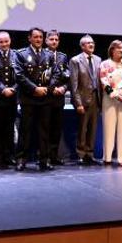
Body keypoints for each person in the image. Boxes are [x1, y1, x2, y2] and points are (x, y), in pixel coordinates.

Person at [14, 27, 56, 171]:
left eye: (40, 37)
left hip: (45, 98)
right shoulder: (21, 54)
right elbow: (19, 75)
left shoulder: (49, 55)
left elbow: (56, 74)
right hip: (28, 99)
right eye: (36, 37)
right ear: (29, 38)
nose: (38, 39)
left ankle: (44, 159)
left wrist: (47, 89)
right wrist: (34, 89)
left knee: (44, 131)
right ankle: (21, 159)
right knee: (25, 130)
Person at [99, 40, 122, 166]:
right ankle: (107, 157)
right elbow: (104, 82)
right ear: (112, 49)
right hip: (111, 100)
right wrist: (115, 95)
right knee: (109, 128)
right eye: (118, 48)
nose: (121, 50)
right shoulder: (105, 64)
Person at [0, 31, 18, 169]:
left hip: (12, 97)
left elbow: (21, 75)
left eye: (6, 41)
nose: (4, 44)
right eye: (1, 42)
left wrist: (13, 88)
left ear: (10, 41)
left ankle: (9, 156)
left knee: (10, 128)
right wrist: (2, 89)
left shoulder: (17, 55)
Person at [69, 35, 101, 165]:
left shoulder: (98, 59)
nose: (91, 45)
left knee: (93, 128)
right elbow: (74, 84)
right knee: (82, 128)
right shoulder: (75, 60)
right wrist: (78, 103)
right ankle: (81, 154)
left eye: (92, 43)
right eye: (88, 43)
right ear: (82, 46)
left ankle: (90, 153)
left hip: (95, 98)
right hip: (82, 99)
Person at [44, 30, 71, 165]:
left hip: (59, 97)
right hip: (45, 97)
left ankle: (54, 156)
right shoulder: (41, 55)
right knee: (45, 128)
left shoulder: (63, 56)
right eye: (51, 39)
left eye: (56, 39)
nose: (54, 41)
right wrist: (52, 88)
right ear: (46, 40)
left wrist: (63, 88)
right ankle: (44, 156)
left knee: (56, 128)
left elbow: (67, 77)